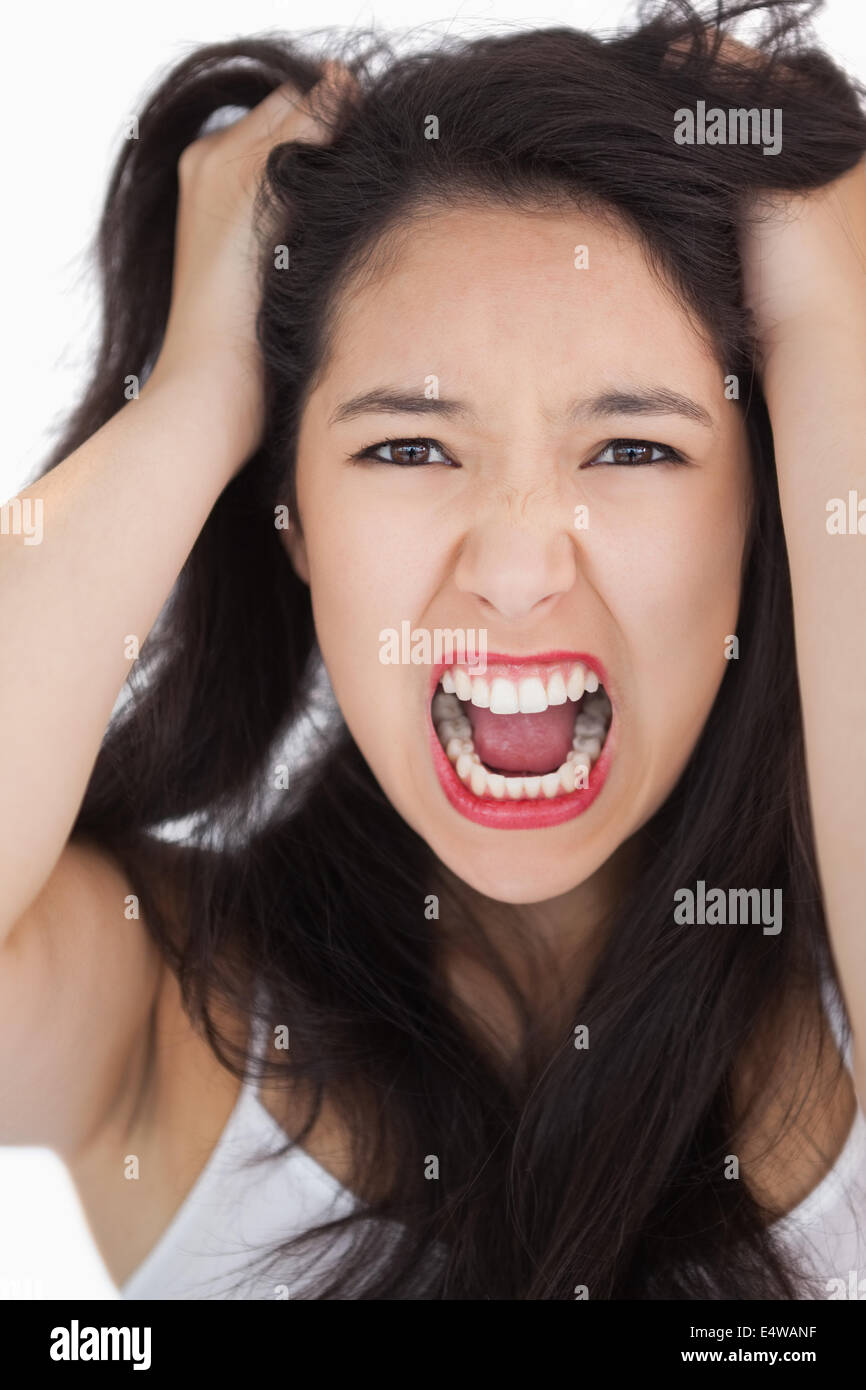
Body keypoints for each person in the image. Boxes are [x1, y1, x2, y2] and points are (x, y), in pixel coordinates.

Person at [2, 0, 866, 1299]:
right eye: (404, 446)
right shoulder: (153, 1009)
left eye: (633, 448)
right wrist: (191, 398)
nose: (517, 566)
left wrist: (825, 312)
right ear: (288, 513)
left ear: (764, 513)